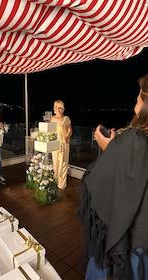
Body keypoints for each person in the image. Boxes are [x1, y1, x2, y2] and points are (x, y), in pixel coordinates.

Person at [80, 73, 148, 280]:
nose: (135, 102)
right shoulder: (131, 142)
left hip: (130, 239)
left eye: (139, 96)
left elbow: (96, 181)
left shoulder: (134, 140)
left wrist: (109, 149)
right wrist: (117, 148)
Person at [50, 100, 72, 189]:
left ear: (62, 109)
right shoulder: (52, 118)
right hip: (54, 144)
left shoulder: (66, 118)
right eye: (56, 107)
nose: (58, 109)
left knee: (63, 164)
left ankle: (62, 184)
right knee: (55, 163)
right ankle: (55, 181)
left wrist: (66, 138)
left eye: (60, 108)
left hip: (64, 144)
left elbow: (70, 131)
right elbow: (51, 130)